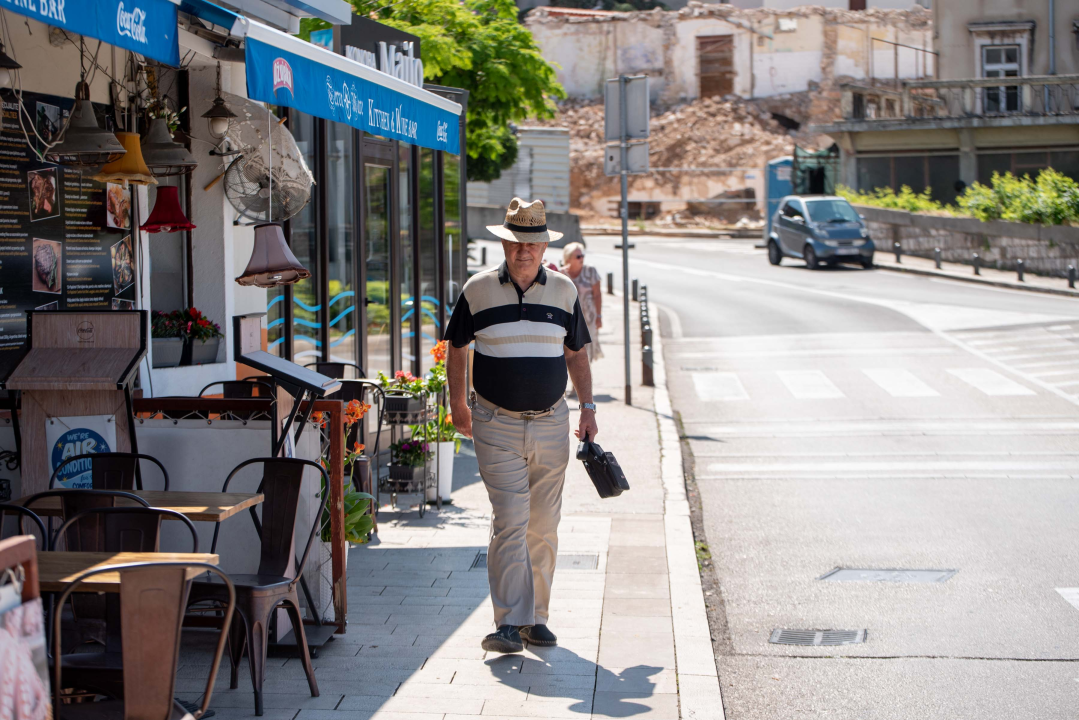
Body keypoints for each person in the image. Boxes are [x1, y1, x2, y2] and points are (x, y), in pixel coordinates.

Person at [445, 197, 599, 654]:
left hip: (553, 423)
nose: (523, 251)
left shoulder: (565, 291)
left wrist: (589, 407)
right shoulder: (477, 290)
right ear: (504, 244)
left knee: (544, 525)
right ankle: (510, 622)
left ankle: (538, 619)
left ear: (543, 244)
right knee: (511, 520)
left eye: (531, 242)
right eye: (515, 242)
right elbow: (457, 350)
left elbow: (576, 354)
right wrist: (458, 405)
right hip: (497, 423)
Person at [560, 242, 603, 362]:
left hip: (588, 318)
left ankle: (583, 378)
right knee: (567, 351)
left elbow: (597, 295)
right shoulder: (560, 274)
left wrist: (599, 316)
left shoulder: (590, 271)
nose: (582, 258)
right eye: (578, 256)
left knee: (586, 352)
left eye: (582, 255)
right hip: (568, 320)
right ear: (568, 258)